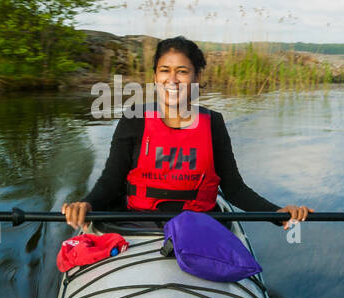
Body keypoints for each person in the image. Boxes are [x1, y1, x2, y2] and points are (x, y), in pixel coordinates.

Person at [61, 36, 314, 231]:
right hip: (138, 223)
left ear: (196, 77)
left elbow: (235, 189)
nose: (173, 79)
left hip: (200, 224)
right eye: (164, 70)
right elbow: (111, 182)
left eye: (182, 71)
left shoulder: (213, 123)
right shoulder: (133, 119)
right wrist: (87, 204)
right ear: (155, 76)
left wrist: (277, 213)